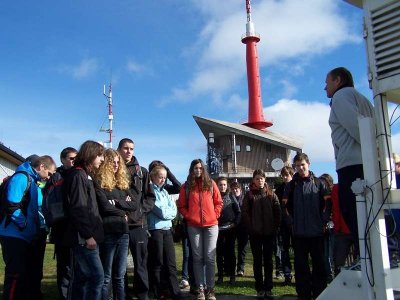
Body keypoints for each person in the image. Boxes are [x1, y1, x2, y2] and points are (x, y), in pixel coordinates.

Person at [326, 67, 374, 254]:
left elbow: (357, 126)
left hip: (352, 166)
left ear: (338, 80)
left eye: (327, 82)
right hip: (366, 163)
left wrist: (371, 148)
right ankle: (373, 255)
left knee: (354, 213)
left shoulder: (340, 97)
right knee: (369, 213)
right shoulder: (361, 98)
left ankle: (367, 257)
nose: (325, 88)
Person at [0, 155, 56, 300]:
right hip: (14, 236)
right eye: (49, 173)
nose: (49, 177)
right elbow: (12, 205)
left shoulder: (33, 181)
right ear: (42, 166)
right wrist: (24, 225)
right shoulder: (21, 177)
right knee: (15, 275)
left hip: (23, 236)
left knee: (25, 275)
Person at [284, 153, 331, 300]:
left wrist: (323, 222)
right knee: (301, 267)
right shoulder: (291, 186)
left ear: (308, 164)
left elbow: (328, 205)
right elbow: (285, 208)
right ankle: (303, 295)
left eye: (302, 164)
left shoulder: (319, 183)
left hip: (317, 233)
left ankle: (320, 294)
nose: (300, 168)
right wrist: (292, 224)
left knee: (319, 266)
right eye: (297, 165)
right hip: (299, 234)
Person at [63, 140, 105, 300]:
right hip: (83, 238)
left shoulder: (85, 175)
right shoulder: (78, 175)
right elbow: (78, 208)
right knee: (96, 276)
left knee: (84, 278)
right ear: (90, 154)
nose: (102, 159)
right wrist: (88, 235)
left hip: (87, 237)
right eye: (100, 155)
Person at [95, 149, 138, 300]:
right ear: (105, 162)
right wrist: (122, 210)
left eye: (118, 162)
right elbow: (104, 207)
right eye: (112, 161)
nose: (116, 164)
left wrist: (116, 203)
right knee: (106, 276)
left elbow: (134, 204)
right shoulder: (98, 182)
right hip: (108, 232)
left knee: (120, 276)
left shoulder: (122, 184)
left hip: (123, 233)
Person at [176, 159, 222, 300]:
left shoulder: (211, 184)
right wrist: (190, 216)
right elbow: (181, 206)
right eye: (196, 168)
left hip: (211, 226)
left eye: (201, 168)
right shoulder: (186, 187)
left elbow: (219, 202)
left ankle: (210, 289)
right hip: (194, 226)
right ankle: (200, 289)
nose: (198, 170)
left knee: (209, 258)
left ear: (204, 169)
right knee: (197, 258)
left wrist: (215, 215)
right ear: (191, 169)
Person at [117, 138, 155, 300]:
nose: (128, 151)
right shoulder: (112, 169)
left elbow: (150, 198)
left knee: (140, 264)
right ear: (119, 149)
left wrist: (140, 211)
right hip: (118, 223)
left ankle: (142, 295)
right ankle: (122, 294)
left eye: (131, 148)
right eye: (125, 148)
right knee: (119, 266)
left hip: (138, 224)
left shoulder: (142, 171)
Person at [242, 169, 281, 299]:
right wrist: (251, 228)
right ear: (253, 180)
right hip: (255, 234)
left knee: (269, 261)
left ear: (265, 179)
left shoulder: (271, 194)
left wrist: (275, 227)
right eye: (257, 178)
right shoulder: (249, 195)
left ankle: (268, 288)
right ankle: (259, 288)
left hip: (269, 233)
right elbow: (245, 213)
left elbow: (277, 212)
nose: (260, 181)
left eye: (262, 178)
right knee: (257, 262)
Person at [147, 165, 181, 300]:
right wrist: (168, 213)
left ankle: (175, 292)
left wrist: (168, 213)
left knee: (171, 263)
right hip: (155, 229)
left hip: (167, 229)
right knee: (158, 262)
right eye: (160, 177)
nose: (162, 180)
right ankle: (158, 291)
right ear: (153, 177)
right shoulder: (150, 191)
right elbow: (159, 210)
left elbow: (173, 210)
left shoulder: (165, 192)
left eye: (164, 178)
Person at [48, 147, 77, 300]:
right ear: (63, 159)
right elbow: (54, 205)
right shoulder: (57, 178)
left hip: (76, 229)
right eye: (71, 158)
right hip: (62, 229)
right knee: (65, 268)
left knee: (75, 267)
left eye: (76, 158)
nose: (74, 161)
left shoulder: (78, 174)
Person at [215, 177, 241, 285]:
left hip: (230, 229)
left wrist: (235, 223)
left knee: (230, 253)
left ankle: (232, 276)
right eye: (220, 185)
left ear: (227, 186)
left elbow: (238, 212)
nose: (222, 187)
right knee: (219, 253)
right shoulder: (214, 197)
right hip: (217, 230)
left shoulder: (231, 196)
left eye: (224, 184)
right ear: (217, 186)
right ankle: (220, 276)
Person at [274, 166, 294, 284]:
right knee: (284, 250)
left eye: (287, 175)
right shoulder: (279, 190)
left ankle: (301, 274)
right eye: (283, 175)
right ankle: (287, 274)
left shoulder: (296, 187)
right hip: (283, 225)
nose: (285, 177)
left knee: (297, 250)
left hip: (296, 223)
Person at [319, 173, 335, 282]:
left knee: (332, 252)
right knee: (325, 253)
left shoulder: (333, 194)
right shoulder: (319, 195)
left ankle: (333, 272)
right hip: (323, 226)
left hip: (333, 225)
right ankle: (328, 273)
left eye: (324, 182)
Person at [231, 181, 247, 277]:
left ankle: (240, 268)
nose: (235, 190)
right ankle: (229, 268)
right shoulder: (229, 199)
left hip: (243, 227)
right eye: (233, 189)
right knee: (230, 248)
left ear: (240, 189)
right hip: (232, 227)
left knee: (242, 249)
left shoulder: (245, 199)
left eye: (236, 188)